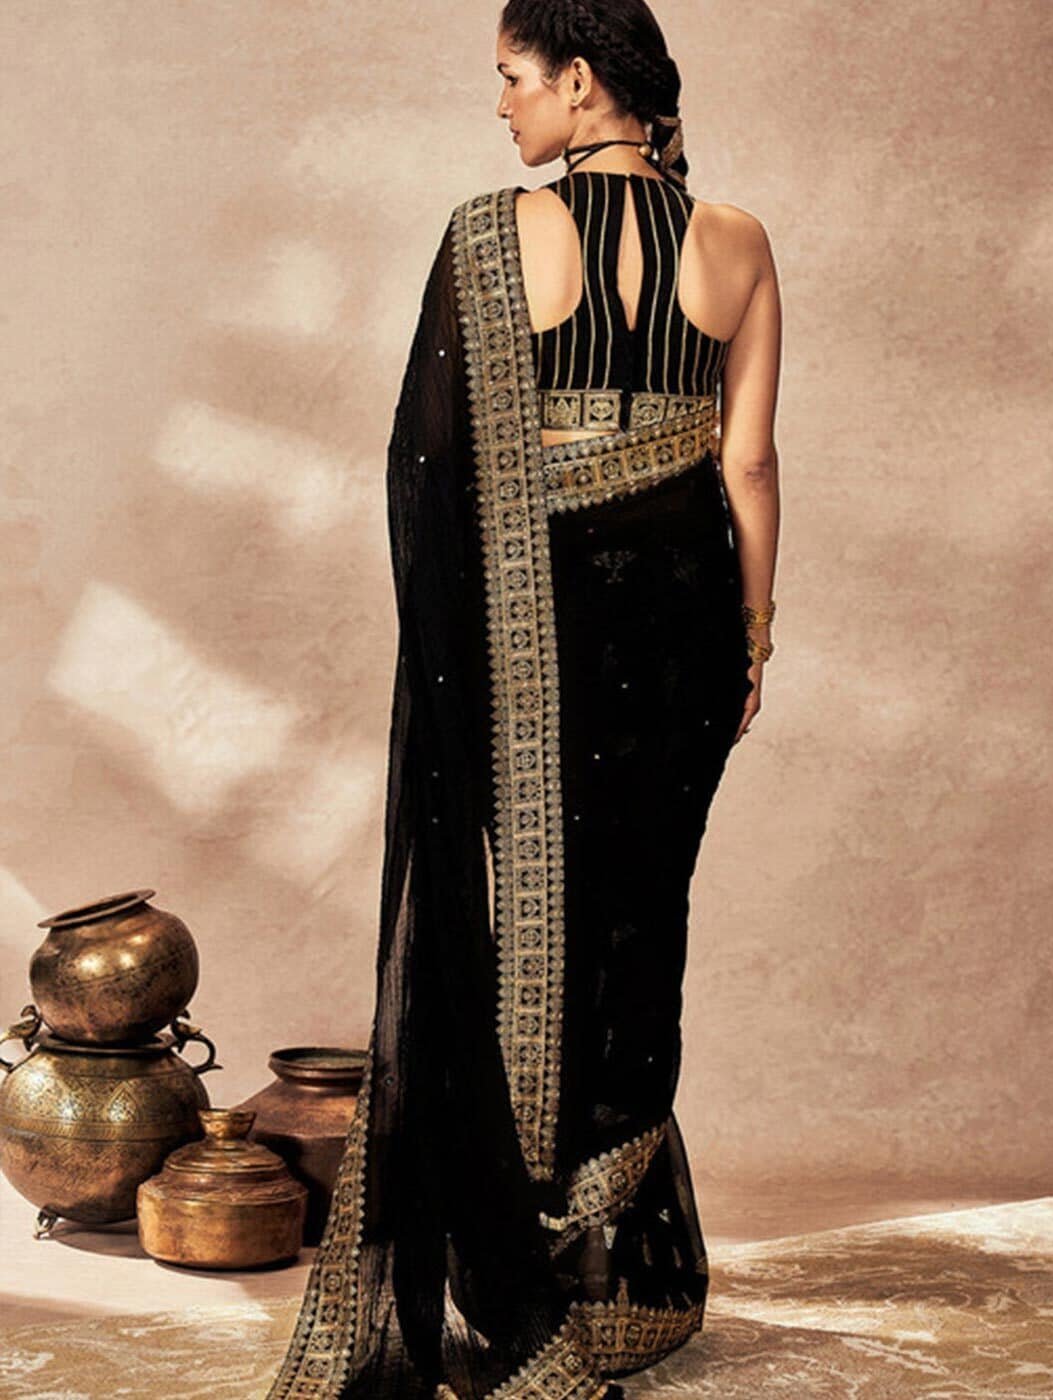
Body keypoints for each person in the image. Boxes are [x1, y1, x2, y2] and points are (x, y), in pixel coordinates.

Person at [264, 1, 780, 1396]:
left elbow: (424, 463)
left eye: (512, 79)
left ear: (581, 80)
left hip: (537, 624)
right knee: (641, 917)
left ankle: (529, 1264)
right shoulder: (739, 239)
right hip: (689, 621)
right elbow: (746, 466)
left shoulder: (492, 235)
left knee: (534, 919)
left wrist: (457, 625)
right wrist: (753, 638)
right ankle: (613, 1274)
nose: (501, 107)